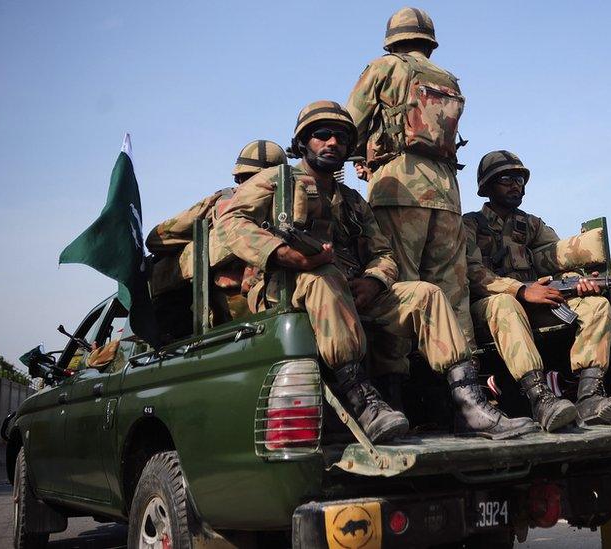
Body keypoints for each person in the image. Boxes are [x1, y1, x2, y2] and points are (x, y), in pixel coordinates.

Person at [215, 101, 536, 441]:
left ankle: (469, 402)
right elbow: (230, 222)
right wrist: (285, 253)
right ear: (304, 141)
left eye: (340, 137)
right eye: (322, 135)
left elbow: (383, 252)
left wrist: (373, 280)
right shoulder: (275, 181)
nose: (333, 143)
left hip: (352, 291)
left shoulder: (352, 200)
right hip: (289, 288)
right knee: (324, 277)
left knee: (426, 293)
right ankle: (363, 401)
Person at [464, 150, 611, 426]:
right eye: (506, 178)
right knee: (504, 304)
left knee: (596, 305)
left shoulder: (530, 225)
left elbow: (556, 261)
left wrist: (574, 283)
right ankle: (540, 399)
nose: (515, 184)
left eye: (520, 179)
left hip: (533, 306)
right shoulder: (470, 225)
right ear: (487, 186)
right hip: (488, 311)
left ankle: (589, 397)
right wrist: (519, 290)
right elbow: (471, 272)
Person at [346, 7, 475, 367]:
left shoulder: (384, 68)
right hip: (448, 193)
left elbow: (348, 126)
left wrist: (362, 154)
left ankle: (400, 386)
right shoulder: (449, 78)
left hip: (398, 187)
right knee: (452, 295)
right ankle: (464, 389)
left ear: (393, 41)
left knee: (400, 289)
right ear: (429, 43)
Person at [146, 140, 288, 326]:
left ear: (238, 178)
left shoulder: (222, 203)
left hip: (230, 323)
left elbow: (158, 238)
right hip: (266, 315)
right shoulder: (296, 209)